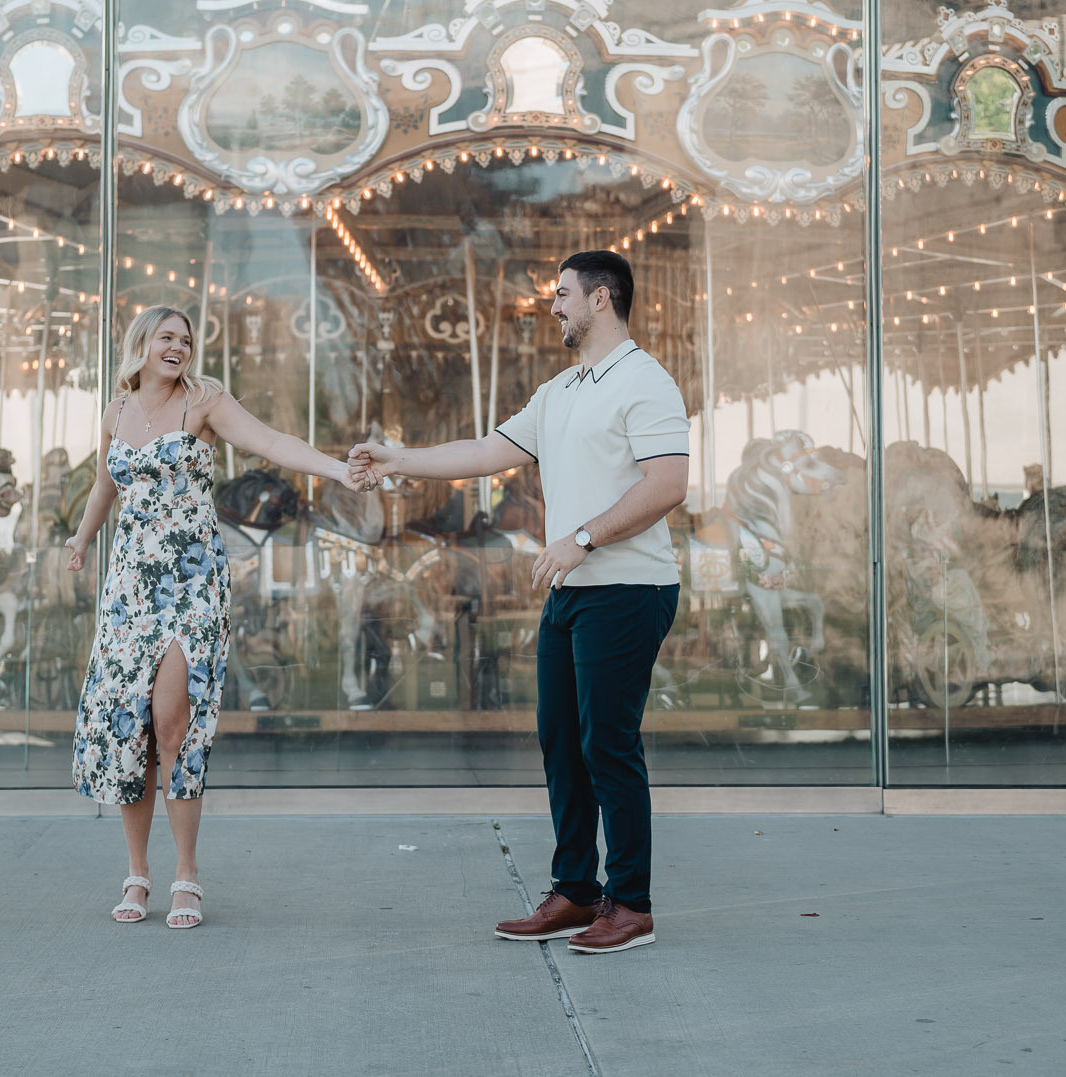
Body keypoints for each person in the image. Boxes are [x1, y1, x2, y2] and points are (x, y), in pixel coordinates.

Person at [349, 250, 689, 955]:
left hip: (628, 588)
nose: (554, 305)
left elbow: (667, 485)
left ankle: (632, 904)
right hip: (572, 591)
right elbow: (484, 452)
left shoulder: (646, 383)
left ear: (601, 299)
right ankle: (576, 890)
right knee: (563, 740)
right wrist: (397, 458)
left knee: (608, 744)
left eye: (564, 294)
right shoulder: (561, 390)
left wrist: (583, 537)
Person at [68, 305, 363, 927]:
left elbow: (272, 442)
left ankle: (186, 873)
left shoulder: (203, 402)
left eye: (187, 340)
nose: (179, 348)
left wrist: (338, 469)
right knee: (130, 729)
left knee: (172, 724)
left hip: (191, 583)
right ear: (142, 344)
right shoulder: (116, 412)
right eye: (168, 338)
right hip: (128, 588)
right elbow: (105, 485)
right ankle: (136, 873)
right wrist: (81, 538)